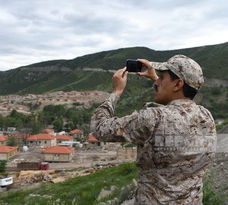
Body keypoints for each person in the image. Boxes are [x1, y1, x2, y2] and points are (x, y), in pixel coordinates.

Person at [90, 55, 217, 205]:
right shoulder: (206, 117)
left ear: (177, 85)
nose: (156, 82)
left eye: (162, 78)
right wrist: (156, 79)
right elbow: (177, 108)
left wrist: (116, 92)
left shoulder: (153, 118)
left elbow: (99, 128)